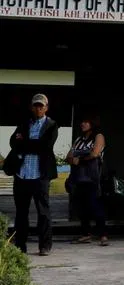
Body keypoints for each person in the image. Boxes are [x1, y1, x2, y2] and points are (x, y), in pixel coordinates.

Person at [5, 93, 60, 255]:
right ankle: (20, 246)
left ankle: (44, 246)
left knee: (43, 212)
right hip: (22, 175)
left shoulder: (52, 125)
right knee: (21, 213)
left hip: (40, 176)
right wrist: (28, 144)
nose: (38, 108)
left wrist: (24, 143)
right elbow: (13, 142)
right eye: (36, 105)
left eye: (41, 105)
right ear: (31, 107)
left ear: (46, 108)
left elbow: (46, 146)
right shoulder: (24, 123)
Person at [66, 114, 109, 246]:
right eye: (82, 122)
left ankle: (103, 234)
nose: (82, 124)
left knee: (95, 205)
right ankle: (86, 234)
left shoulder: (98, 136)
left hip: (93, 177)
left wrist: (79, 159)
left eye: (86, 122)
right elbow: (69, 156)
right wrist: (75, 159)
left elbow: (95, 153)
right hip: (79, 178)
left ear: (92, 124)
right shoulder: (79, 139)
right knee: (81, 207)